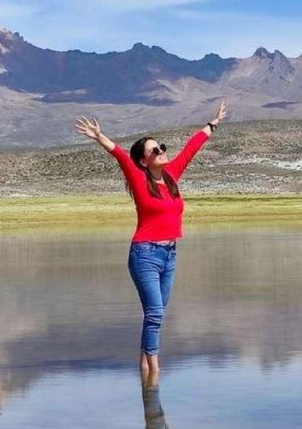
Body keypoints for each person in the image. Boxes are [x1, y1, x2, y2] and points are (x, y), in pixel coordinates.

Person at [75, 101, 227, 373]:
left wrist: (212, 124)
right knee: (155, 313)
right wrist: (99, 137)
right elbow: (121, 155)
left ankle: (145, 369)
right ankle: (155, 372)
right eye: (154, 150)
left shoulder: (171, 175)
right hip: (145, 254)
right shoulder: (138, 177)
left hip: (169, 254)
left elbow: (192, 148)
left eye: (162, 147)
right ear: (144, 160)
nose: (161, 151)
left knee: (155, 315)